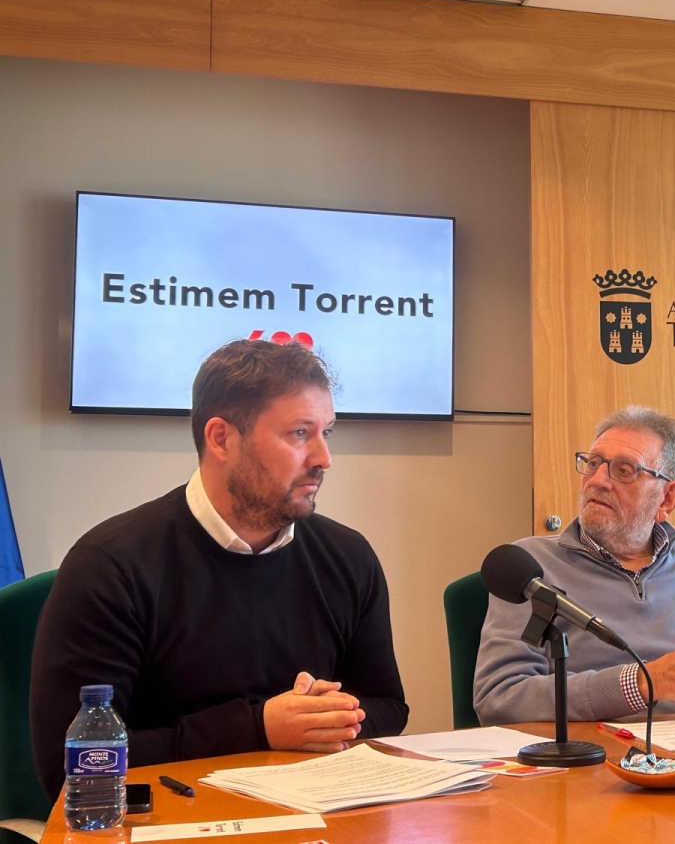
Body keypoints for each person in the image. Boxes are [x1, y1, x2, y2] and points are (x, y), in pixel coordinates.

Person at [31, 340, 408, 798]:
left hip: (314, 816)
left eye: (326, 432)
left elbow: (388, 707)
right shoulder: (111, 566)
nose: (323, 459)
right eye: (299, 434)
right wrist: (258, 727)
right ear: (221, 438)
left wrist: (329, 715)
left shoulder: (348, 556)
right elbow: (68, 763)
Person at [474, 405, 675, 724]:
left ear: (667, 499)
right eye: (593, 463)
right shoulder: (530, 568)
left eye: (623, 471)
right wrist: (643, 683)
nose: (598, 481)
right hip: (588, 763)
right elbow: (499, 698)